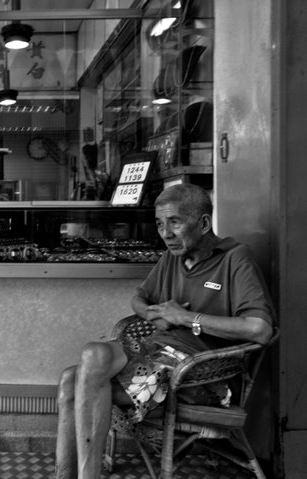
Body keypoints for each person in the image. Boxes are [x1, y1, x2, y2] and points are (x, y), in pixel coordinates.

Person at [55, 183, 275, 479]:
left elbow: (260, 330)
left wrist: (186, 318)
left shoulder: (236, 259)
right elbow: (140, 297)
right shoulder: (172, 257)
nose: (166, 233)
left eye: (175, 222)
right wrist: (151, 313)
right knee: (87, 359)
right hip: (155, 353)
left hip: (193, 375)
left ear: (204, 223)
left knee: (74, 380)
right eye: (160, 224)